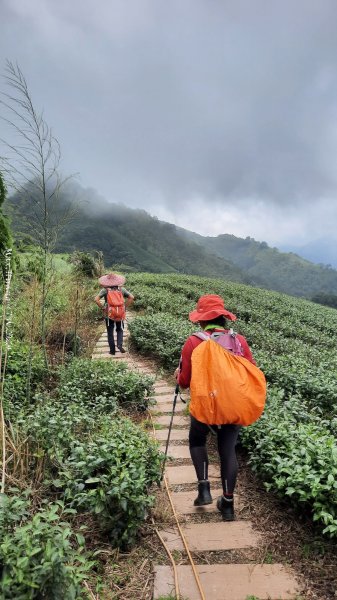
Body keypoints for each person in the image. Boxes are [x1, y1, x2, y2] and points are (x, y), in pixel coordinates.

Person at [175, 294, 256, 521]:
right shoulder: (239, 340)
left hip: (206, 405)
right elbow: (251, 371)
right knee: (227, 451)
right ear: (223, 318)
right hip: (232, 404)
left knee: (197, 440)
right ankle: (228, 504)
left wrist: (178, 376)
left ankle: (204, 490)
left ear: (201, 320)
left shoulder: (194, 341)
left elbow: (184, 380)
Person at [94, 273, 134, 355]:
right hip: (120, 313)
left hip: (109, 313)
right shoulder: (122, 289)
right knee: (120, 329)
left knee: (110, 331)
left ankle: (112, 350)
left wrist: (103, 308)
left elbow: (96, 299)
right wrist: (124, 307)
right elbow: (131, 297)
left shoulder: (105, 290)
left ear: (107, 282)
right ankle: (119, 345)